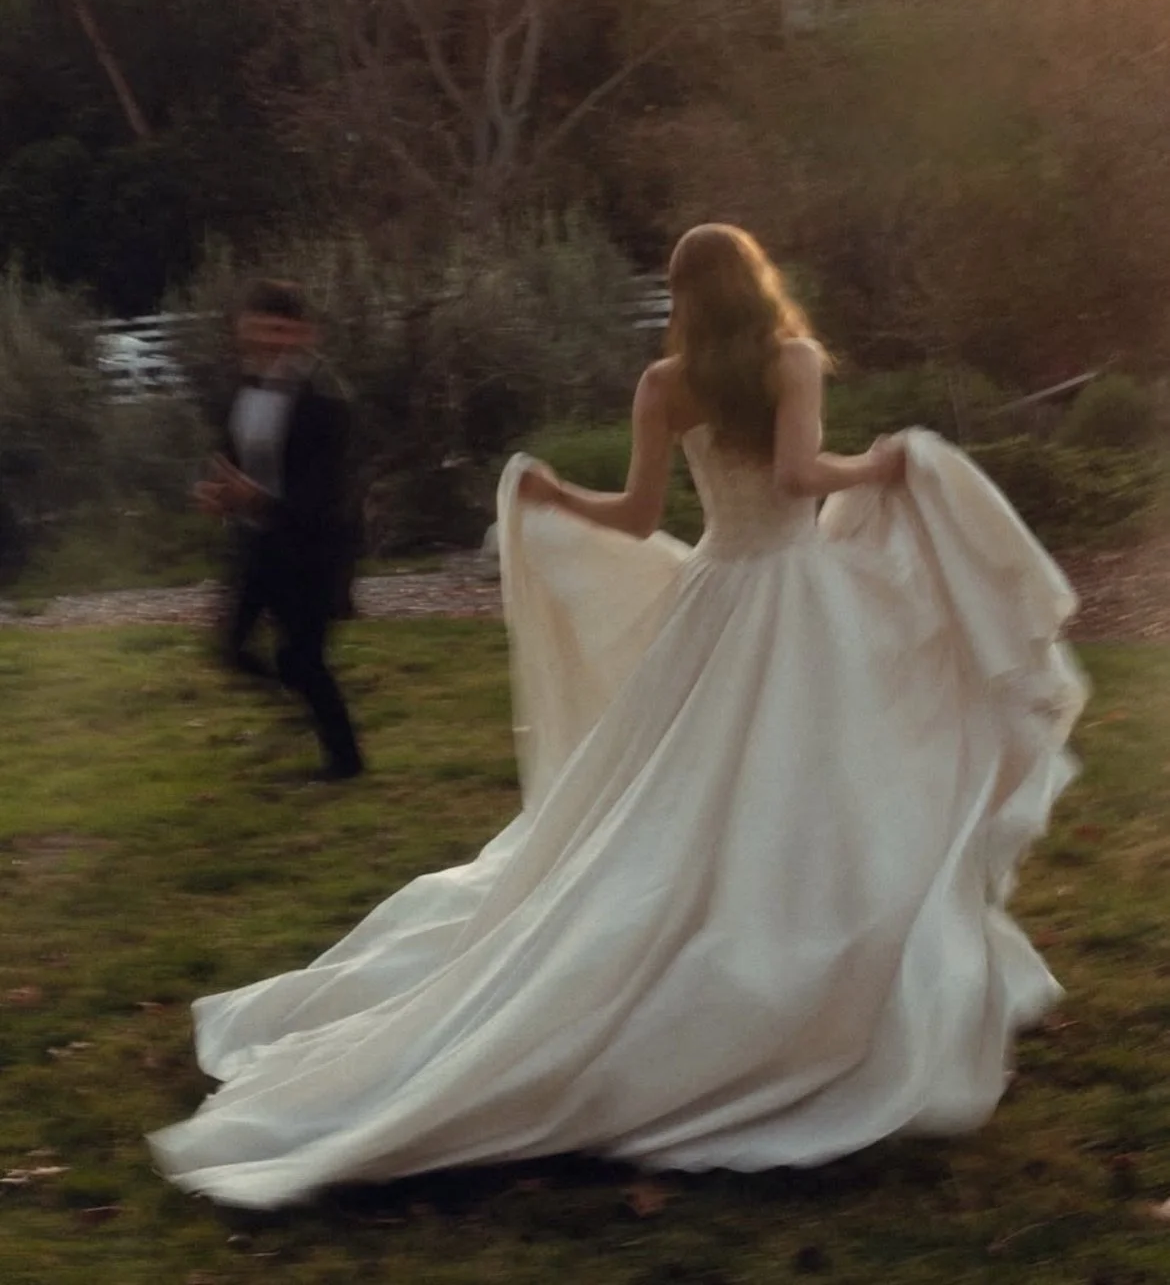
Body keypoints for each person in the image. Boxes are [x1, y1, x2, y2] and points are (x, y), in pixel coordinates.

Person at [151, 225, 1083, 1209]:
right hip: (799, 597)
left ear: (682, 296)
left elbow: (640, 517)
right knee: (822, 780)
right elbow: (805, 478)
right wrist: (887, 466)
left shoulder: (663, 382)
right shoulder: (793, 359)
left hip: (718, 595)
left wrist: (558, 494)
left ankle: (745, 937)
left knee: (680, 790)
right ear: (757, 284)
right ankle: (823, 961)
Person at [195, 278, 365, 783]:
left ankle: (345, 762)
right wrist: (218, 495)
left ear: (306, 335)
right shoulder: (236, 392)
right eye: (263, 328)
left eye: (284, 330)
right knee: (233, 647)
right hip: (256, 543)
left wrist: (255, 498)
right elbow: (232, 461)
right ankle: (299, 703)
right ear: (241, 328)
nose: (273, 340)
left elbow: (323, 499)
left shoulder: (327, 404)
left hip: (314, 548)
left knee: (302, 659)